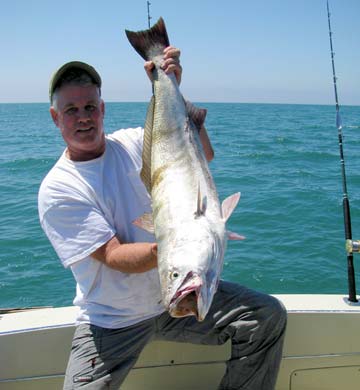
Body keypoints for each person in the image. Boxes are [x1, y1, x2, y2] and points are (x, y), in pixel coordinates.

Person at [38, 46, 287, 390]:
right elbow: (112, 256)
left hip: (174, 298)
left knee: (266, 316)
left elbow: (206, 154)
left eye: (90, 107)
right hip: (112, 321)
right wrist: (178, 246)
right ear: (55, 117)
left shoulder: (133, 142)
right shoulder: (59, 189)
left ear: (102, 109)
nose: (83, 116)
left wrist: (172, 85)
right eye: (72, 110)